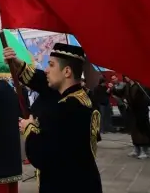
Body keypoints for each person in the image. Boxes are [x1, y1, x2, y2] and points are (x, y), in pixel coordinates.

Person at [7, 43, 102, 193]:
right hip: (85, 181)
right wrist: (19, 64)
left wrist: (29, 128)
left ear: (67, 72)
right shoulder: (82, 97)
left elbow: (42, 156)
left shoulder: (66, 108)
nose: (46, 70)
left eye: (51, 65)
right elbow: (43, 81)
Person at [112, 76, 150, 159]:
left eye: (127, 76)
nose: (126, 77)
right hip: (132, 112)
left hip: (141, 112)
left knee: (142, 131)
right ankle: (136, 148)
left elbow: (145, 98)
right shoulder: (127, 86)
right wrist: (113, 88)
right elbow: (120, 93)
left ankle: (144, 150)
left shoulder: (140, 85)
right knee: (134, 131)